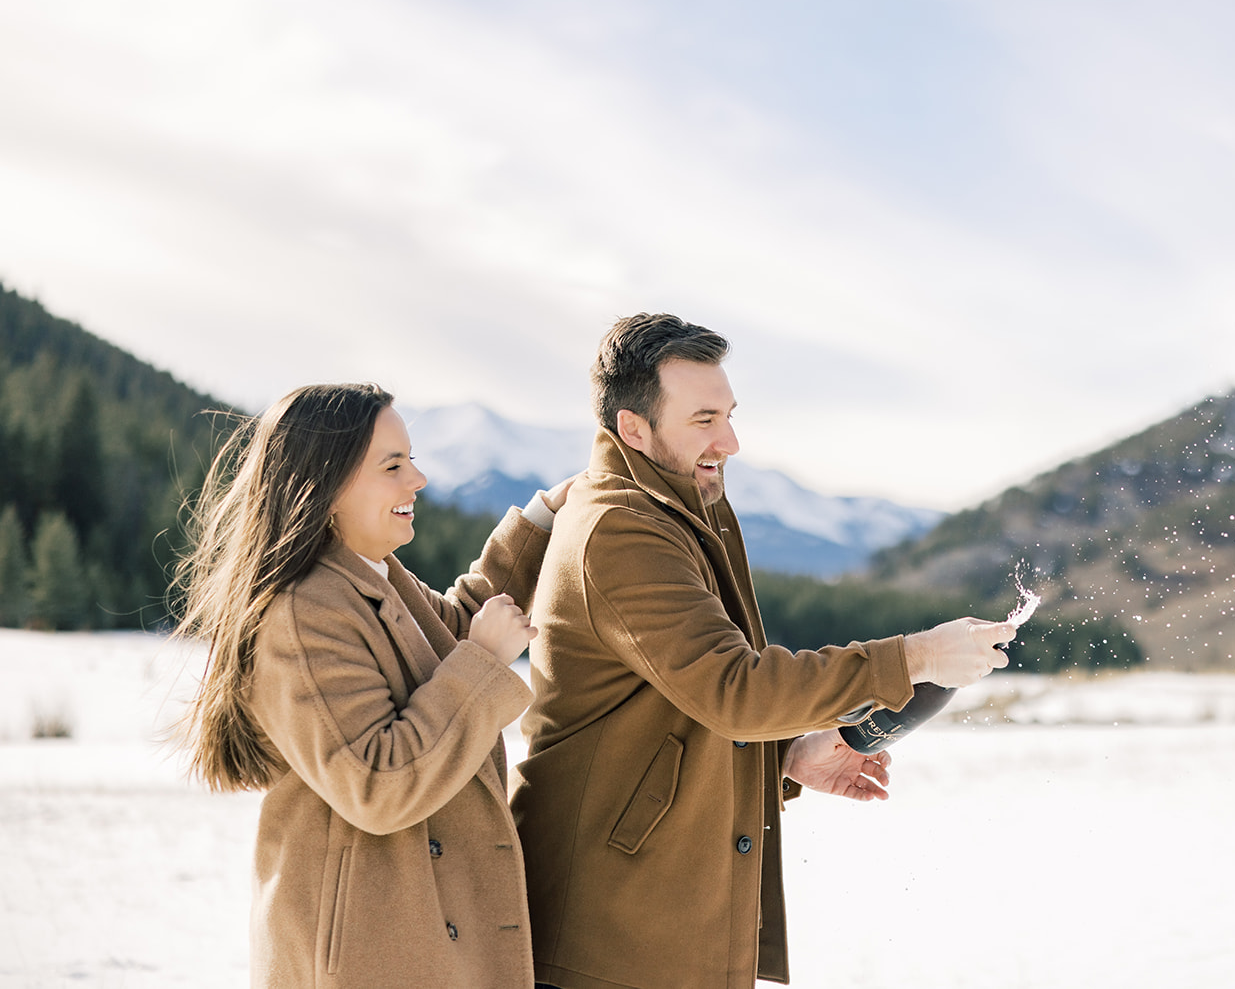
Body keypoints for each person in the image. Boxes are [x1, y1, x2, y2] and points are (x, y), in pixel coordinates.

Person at [511, 314, 1014, 989]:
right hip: (609, 937)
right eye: (704, 419)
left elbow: (681, 704)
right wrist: (914, 657)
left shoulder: (686, 506)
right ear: (635, 429)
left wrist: (786, 757)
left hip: (658, 918)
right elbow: (735, 690)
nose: (731, 440)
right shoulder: (621, 528)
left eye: (730, 414)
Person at [171, 383, 565, 989]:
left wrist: (541, 521)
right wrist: (485, 659)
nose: (419, 479)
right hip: (368, 958)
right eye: (393, 465)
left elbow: (456, 631)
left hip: (411, 940)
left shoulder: (369, 575)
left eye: (411, 458)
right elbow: (377, 783)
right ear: (326, 484)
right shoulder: (303, 612)